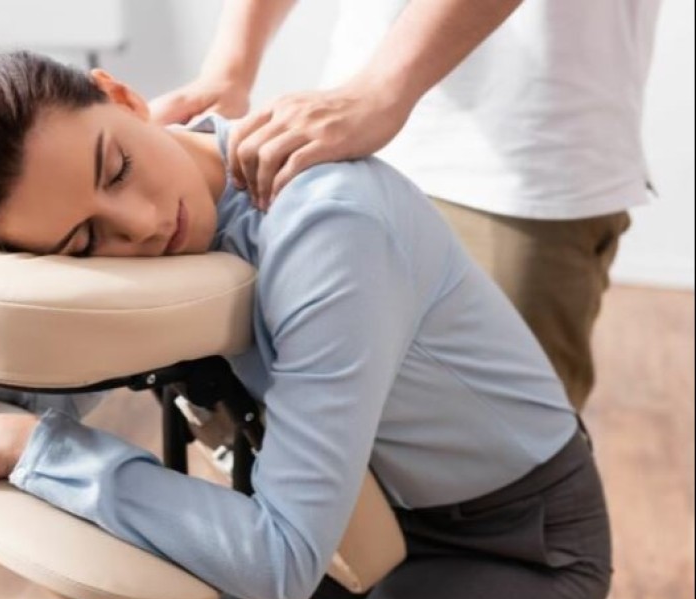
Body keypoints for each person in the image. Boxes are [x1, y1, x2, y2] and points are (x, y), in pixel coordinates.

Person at [0, 51, 612, 599]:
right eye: (82, 243)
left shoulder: (324, 228)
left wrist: (29, 447)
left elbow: (282, 560)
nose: (143, 225)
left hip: (515, 542)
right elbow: (91, 345)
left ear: (123, 96)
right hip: (362, 513)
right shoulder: (164, 224)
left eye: (116, 168)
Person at [150, 0, 663, 410]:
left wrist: (381, 92)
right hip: (342, 137)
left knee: (489, 459)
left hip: (519, 155)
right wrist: (231, 67)